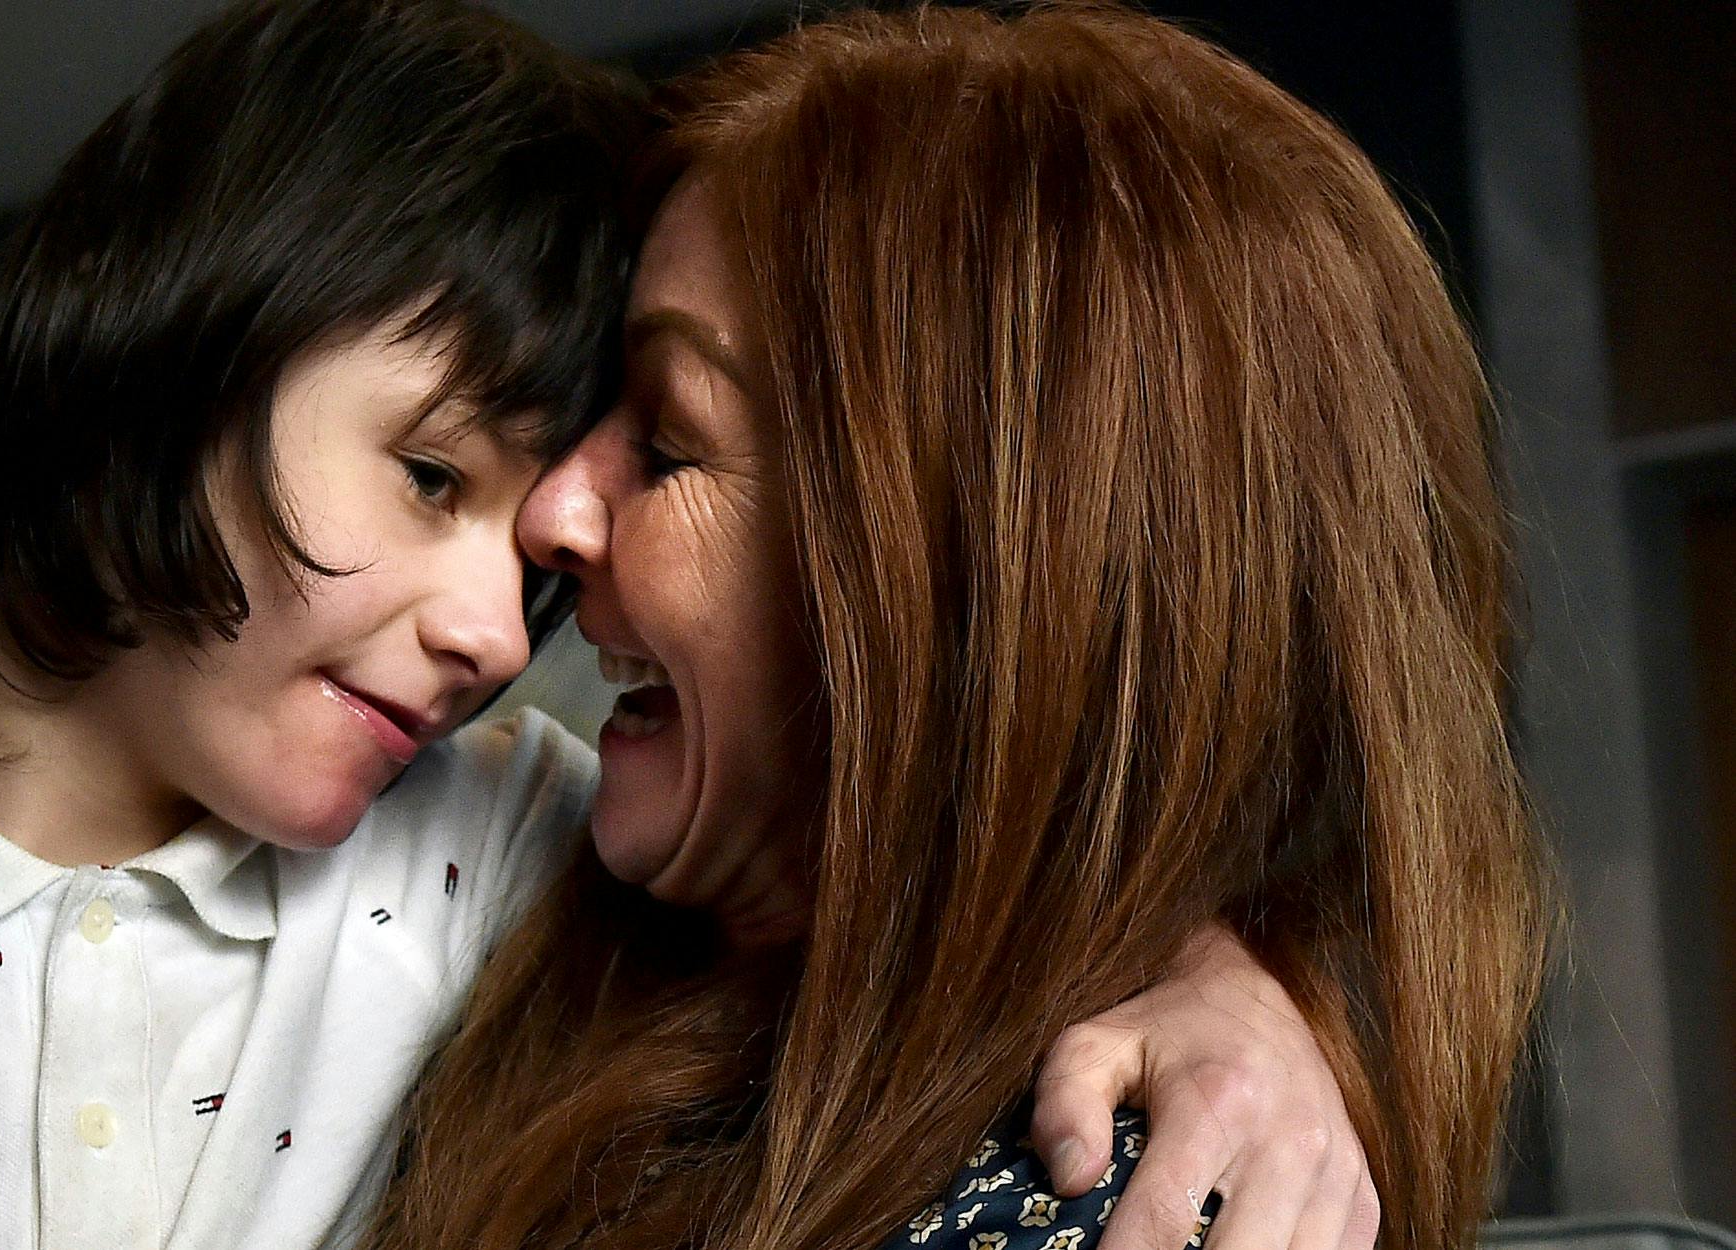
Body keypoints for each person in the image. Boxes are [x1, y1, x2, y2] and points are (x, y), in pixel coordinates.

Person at [0, 2, 1376, 1247]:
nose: (490, 617)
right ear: (152, 343)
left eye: (534, 573)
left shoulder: (490, 845)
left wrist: (1211, 976)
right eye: (429, 478)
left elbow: (929, 817)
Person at [365, 7, 1550, 1250]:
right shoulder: (513, 913)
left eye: (670, 443)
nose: (554, 508)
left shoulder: (1106, 1198)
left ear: (974, 591)